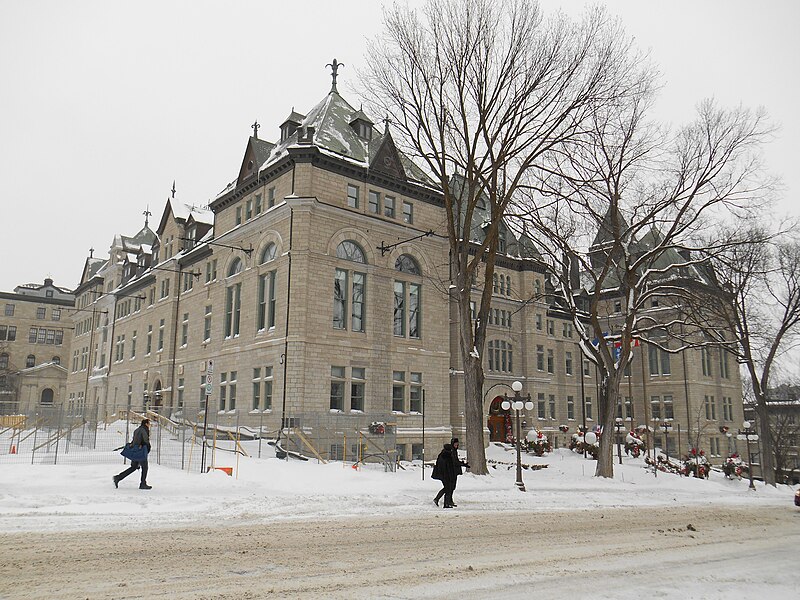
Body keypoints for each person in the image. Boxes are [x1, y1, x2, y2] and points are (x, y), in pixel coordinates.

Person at [113, 418, 152, 490]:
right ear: (146, 424)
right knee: (145, 467)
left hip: (135, 450)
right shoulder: (144, 430)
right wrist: (148, 447)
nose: (150, 425)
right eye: (149, 423)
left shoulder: (137, 430)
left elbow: (134, 439)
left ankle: (118, 477)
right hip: (141, 451)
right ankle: (143, 483)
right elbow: (145, 440)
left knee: (133, 467)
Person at [432, 443, 457, 508]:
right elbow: (449, 467)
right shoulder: (448, 456)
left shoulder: (441, 455)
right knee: (448, 489)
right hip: (447, 475)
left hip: (443, 475)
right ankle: (445, 503)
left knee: (447, 488)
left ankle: (438, 500)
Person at [448, 438, 469, 506]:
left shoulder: (454, 451)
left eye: (457, 444)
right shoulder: (451, 451)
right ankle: (448, 500)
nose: (457, 446)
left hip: (454, 471)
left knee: (452, 487)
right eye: (455, 444)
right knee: (450, 487)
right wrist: (462, 464)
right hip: (451, 471)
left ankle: (449, 500)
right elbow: (454, 461)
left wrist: (462, 464)